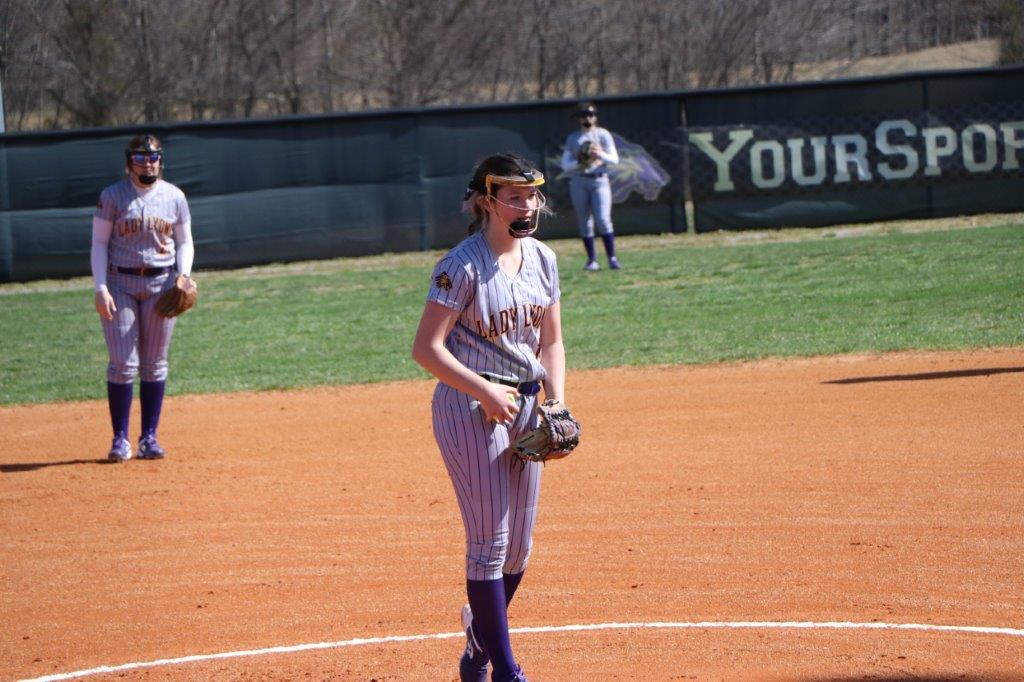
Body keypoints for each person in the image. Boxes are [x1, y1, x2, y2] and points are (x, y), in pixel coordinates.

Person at [411, 153, 566, 682]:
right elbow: (427, 349)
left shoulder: (543, 258)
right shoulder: (461, 267)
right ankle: (505, 670)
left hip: (527, 406)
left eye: (533, 195)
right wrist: (483, 390)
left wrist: (557, 402)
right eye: (515, 197)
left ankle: (478, 640)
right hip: (469, 407)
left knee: (519, 548)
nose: (528, 206)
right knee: (490, 544)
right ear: (487, 200)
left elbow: (552, 342)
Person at [91, 134, 195, 462]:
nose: (147, 164)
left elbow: (185, 241)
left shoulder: (174, 196)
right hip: (119, 283)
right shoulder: (112, 196)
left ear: (160, 161)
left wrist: (184, 274)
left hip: (162, 283)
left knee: (154, 364)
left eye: (153, 158)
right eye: (140, 158)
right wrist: (100, 287)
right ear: (129, 163)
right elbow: (99, 243)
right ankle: (120, 439)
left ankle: (149, 438)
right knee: (123, 364)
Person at [560, 101, 621, 271]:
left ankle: (612, 258)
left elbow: (614, 160)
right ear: (578, 119)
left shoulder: (603, 135)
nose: (587, 118)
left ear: (595, 117)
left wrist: (599, 154)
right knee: (585, 221)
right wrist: (580, 162)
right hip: (579, 180)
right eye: (583, 115)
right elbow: (565, 165)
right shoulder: (573, 138)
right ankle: (591, 260)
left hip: (599, 180)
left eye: (590, 115)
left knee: (603, 219)